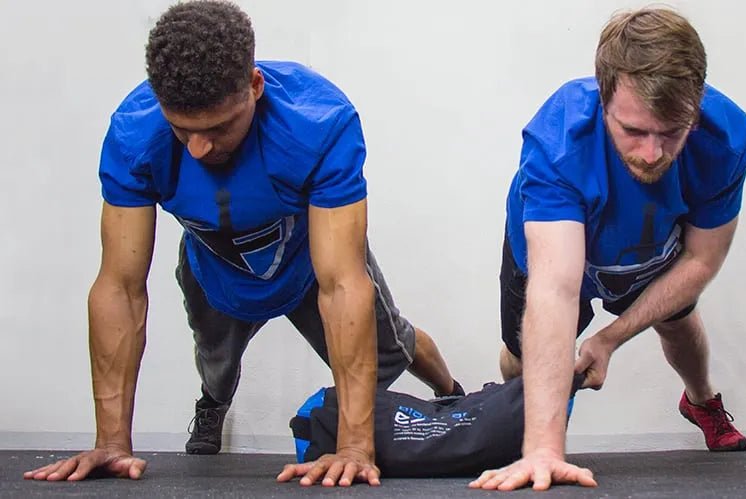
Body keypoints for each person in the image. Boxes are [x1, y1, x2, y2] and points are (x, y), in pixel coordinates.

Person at [23, 0, 461, 487]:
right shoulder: (134, 133)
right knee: (216, 367)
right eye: (181, 129)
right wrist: (110, 442)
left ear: (255, 87)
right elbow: (120, 287)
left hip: (310, 264)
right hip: (215, 271)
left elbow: (341, 283)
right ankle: (212, 404)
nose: (198, 149)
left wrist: (355, 447)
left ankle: (452, 392)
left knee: (394, 348)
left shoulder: (318, 123)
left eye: (216, 128)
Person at [471, 7, 746, 491]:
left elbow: (703, 258)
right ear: (603, 101)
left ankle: (702, 401)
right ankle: (530, 415)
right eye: (634, 131)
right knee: (524, 354)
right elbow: (557, 289)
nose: (652, 153)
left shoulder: (725, 138)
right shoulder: (559, 138)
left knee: (681, 326)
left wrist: (610, 337)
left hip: (647, 240)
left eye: (671, 132)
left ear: (696, 104)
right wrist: (544, 447)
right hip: (551, 253)